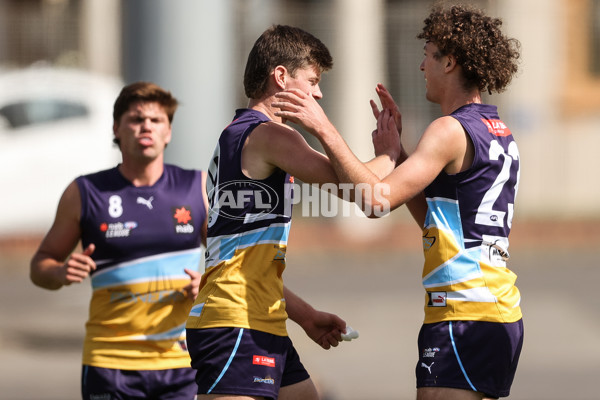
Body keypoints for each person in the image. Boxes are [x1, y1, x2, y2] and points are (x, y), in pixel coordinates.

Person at [274, 5, 524, 400]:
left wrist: (322, 128)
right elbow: (440, 222)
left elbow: (376, 201)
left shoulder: (449, 130)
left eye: (428, 53)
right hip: (494, 311)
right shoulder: (497, 130)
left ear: (450, 62)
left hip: (464, 313)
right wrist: (401, 156)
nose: (422, 65)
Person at [185, 25, 395, 400]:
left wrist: (304, 314)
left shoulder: (237, 132)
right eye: (312, 81)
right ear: (280, 76)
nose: (318, 92)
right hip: (235, 321)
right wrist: (386, 152)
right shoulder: (272, 136)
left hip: (260, 316)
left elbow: (245, 259)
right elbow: (364, 191)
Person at [30, 81, 209, 400]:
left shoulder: (196, 188)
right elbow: (40, 265)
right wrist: (59, 272)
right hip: (110, 365)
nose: (146, 127)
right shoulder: (85, 192)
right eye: (136, 119)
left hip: (182, 363)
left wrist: (208, 283)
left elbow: (231, 264)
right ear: (116, 128)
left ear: (168, 132)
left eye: (156, 121)